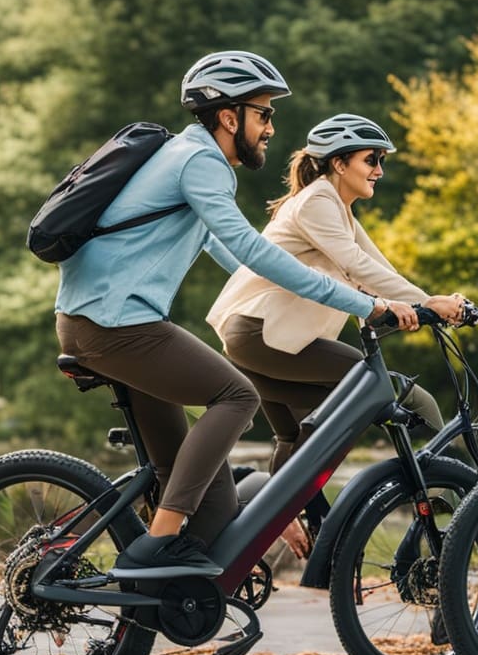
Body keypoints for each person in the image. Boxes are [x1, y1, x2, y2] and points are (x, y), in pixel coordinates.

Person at [55, 54, 419, 574]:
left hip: (100, 321)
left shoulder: (185, 157)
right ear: (230, 117)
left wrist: (270, 291)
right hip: (115, 325)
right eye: (264, 114)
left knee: (214, 507)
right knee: (238, 394)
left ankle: (158, 584)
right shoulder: (199, 161)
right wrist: (368, 304)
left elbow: (230, 256)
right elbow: (252, 250)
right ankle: (157, 545)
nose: (272, 129)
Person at [206, 113, 467, 558]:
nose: (380, 171)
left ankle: (258, 537)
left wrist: (424, 302)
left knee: (297, 438)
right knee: (406, 399)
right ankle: (462, 510)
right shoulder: (316, 202)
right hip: (263, 333)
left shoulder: (336, 207)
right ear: (340, 163)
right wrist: (428, 304)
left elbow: (373, 268)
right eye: (372, 160)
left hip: (257, 337)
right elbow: (356, 266)